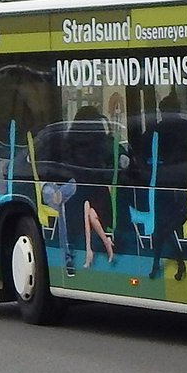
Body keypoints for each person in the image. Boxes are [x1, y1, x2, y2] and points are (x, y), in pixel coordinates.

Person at [146, 93, 187, 281]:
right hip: (172, 188)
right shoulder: (186, 127)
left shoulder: (159, 129)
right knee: (162, 229)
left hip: (171, 189)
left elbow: (145, 151)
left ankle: (162, 265)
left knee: (163, 230)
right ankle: (167, 264)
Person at [69, 106, 115, 270]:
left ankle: (90, 250)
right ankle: (101, 244)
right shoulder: (102, 141)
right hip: (99, 193)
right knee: (88, 208)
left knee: (86, 206)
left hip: (82, 193)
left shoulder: (72, 141)